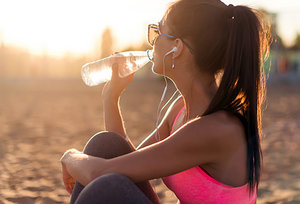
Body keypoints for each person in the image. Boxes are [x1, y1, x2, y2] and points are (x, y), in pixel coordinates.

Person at [60, 0, 270, 203]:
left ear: (176, 47)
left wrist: (70, 157)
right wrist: (111, 97)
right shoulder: (180, 108)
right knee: (105, 144)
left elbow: (100, 173)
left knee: (109, 186)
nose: (153, 40)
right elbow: (127, 162)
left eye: (158, 32)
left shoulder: (216, 129)